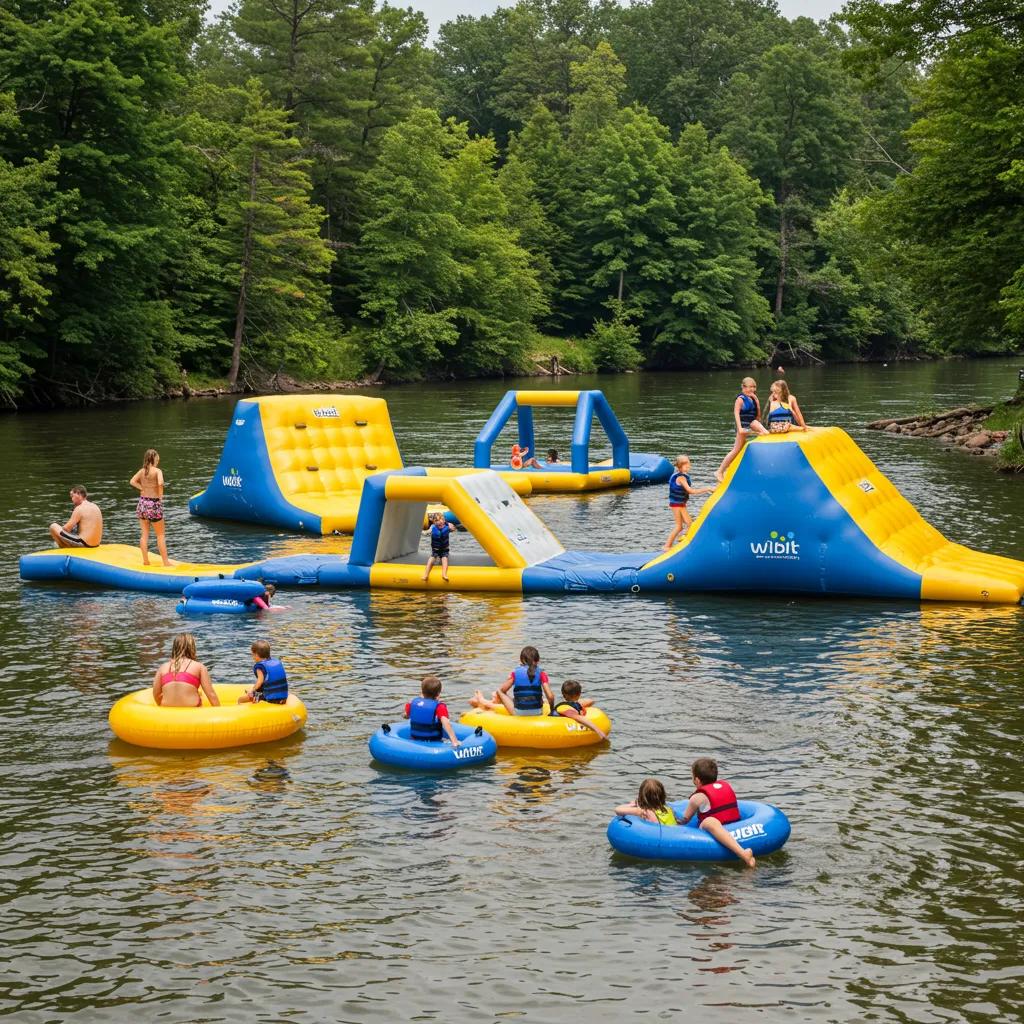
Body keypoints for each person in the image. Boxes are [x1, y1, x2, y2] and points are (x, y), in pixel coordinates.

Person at [677, 757, 756, 867]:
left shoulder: (697, 797)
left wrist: (674, 821)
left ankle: (743, 854)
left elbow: (685, 820)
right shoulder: (726, 786)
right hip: (734, 824)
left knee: (709, 821)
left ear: (697, 780)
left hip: (714, 827)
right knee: (711, 821)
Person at [470, 645, 555, 716]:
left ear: (521, 660)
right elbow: (550, 697)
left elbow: (502, 690)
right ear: (538, 660)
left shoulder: (515, 673)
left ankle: (484, 703)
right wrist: (551, 710)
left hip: (519, 713)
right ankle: (486, 702)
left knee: (499, 691)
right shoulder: (542, 674)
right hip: (538, 712)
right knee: (543, 698)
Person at [715, 377, 767, 482]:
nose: (752, 390)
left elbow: (758, 417)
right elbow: (736, 414)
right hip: (742, 424)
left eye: (753, 387)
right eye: (749, 387)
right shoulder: (740, 399)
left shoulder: (753, 398)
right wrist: (740, 429)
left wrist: (757, 401)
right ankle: (719, 471)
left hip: (751, 422)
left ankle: (735, 467)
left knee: (765, 433)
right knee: (736, 449)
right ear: (743, 387)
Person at [153, 632, 218, 708]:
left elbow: (156, 694)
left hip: (168, 713)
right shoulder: (199, 667)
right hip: (192, 712)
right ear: (192, 648)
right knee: (199, 697)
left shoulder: (162, 668)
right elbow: (211, 694)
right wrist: (220, 713)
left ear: (174, 648)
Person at [129, 448, 171, 566]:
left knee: (144, 534)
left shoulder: (142, 471)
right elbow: (160, 483)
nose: (158, 460)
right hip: (153, 504)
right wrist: (160, 497)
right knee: (160, 535)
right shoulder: (157, 471)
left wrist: (142, 488)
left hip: (142, 503)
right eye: (157, 458)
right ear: (154, 458)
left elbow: (132, 481)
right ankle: (166, 562)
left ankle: (146, 561)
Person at [664, 455, 714, 550]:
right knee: (679, 526)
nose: (688, 466)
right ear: (679, 466)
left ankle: (683, 540)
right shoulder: (681, 478)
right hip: (676, 504)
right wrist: (707, 488)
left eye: (688, 463)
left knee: (690, 524)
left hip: (680, 504)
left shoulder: (681, 475)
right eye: (685, 464)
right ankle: (667, 546)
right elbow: (690, 491)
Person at [405, 675, 460, 745]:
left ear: (422, 692)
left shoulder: (412, 703)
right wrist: (454, 741)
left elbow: (406, 716)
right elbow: (446, 722)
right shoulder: (440, 706)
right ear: (438, 693)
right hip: (433, 741)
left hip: (414, 738)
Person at [238, 639, 289, 704]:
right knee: (256, 692)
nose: (252, 657)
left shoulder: (260, 667)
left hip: (270, 699)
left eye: (252, 655)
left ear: (256, 655)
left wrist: (251, 691)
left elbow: (260, 682)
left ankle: (240, 709)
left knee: (241, 699)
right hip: (283, 698)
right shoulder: (276, 662)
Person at [614, 778, 681, 825]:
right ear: (663, 795)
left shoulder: (643, 811)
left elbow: (617, 810)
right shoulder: (668, 809)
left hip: (659, 836)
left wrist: (633, 805)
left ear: (641, 796)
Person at [422, 512, 453, 582]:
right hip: (435, 550)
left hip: (444, 550)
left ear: (444, 521)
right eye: (436, 521)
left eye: (441, 520)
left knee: (444, 559)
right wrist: (423, 532)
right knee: (431, 559)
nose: (439, 522)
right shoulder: (433, 528)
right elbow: (426, 532)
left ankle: (444, 574)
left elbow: (453, 529)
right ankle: (426, 574)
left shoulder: (447, 527)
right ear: (434, 522)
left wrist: (451, 527)